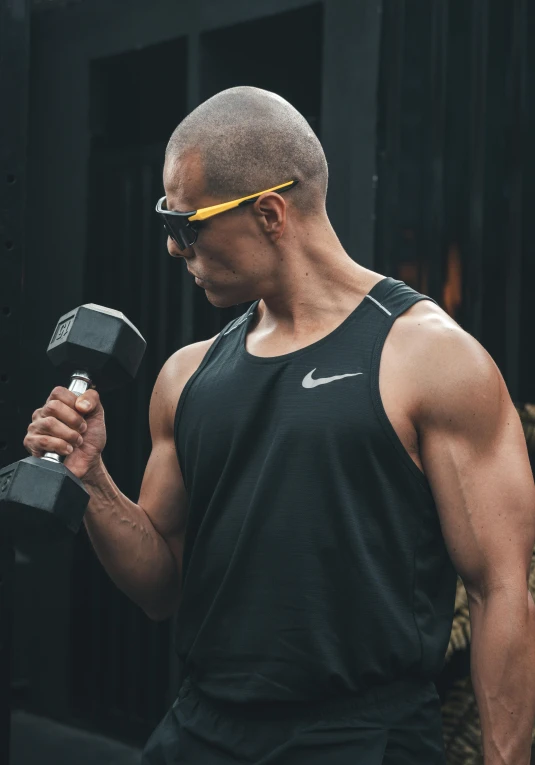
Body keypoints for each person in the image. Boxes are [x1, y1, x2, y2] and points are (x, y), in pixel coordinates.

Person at [24, 87, 535, 764]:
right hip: (201, 725)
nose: (176, 250)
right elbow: (158, 587)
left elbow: (501, 591)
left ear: (268, 212)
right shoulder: (186, 375)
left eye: (188, 226)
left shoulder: (430, 358)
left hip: (360, 736)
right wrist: (90, 477)